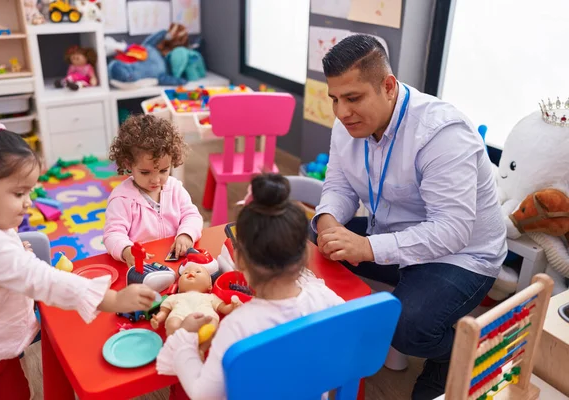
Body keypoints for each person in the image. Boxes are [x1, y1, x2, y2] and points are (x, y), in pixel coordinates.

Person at [312, 34, 507, 399]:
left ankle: (460, 354)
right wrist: (327, 223)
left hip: (462, 255)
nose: (341, 113)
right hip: (390, 234)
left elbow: (452, 231)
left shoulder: (442, 133)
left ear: (388, 86)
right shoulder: (347, 125)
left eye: (353, 98)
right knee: (314, 246)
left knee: (408, 327)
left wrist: (368, 247)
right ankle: (339, 333)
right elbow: (338, 187)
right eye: (334, 99)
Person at [0, 110, 156, 400]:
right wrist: (114, 300)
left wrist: (17, 251)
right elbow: (47, 282)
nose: (29, 203)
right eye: (19, 194)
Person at [155, 173, 344, 400]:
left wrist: (185, 339)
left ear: (238, 259)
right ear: (305, 255)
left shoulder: (237, 327)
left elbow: (203, 394)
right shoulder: (326, 299)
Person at [104, 114, 203, 267]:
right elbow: (113, 234)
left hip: (176, 260)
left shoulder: (175, 188)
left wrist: (186, 234)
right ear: (128, 164)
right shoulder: (121, 199)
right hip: (142, 265)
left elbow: (191, 215)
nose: (156, 180)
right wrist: (126, 250)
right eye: (145, 172)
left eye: (164, 171)